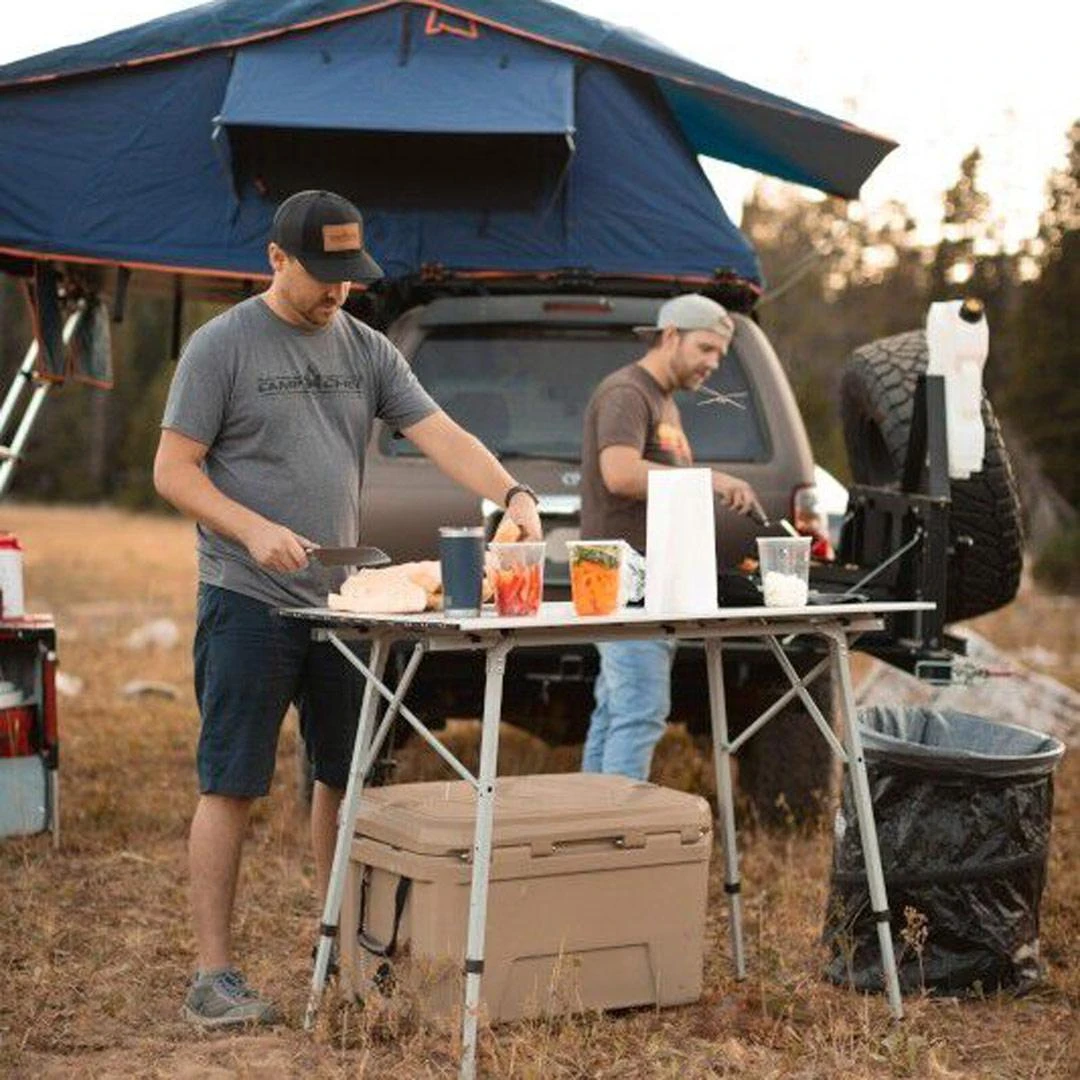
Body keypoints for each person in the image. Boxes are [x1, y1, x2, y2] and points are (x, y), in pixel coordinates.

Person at [154, 189, 542, 1028]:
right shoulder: (221, 347)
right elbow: (173, 471)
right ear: (276, 260)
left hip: (340, 606)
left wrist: (511, 491)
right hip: (246, 596)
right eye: (322, 277)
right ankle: (212, 975)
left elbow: (441, 435)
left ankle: (344, 955)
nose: (337, 293)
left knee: (347, 777)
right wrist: (253, 529)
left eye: (349, 277)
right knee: (232, 784)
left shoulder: (366, 347)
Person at [579, 293, 762, 781]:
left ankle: (588, 829)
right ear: (671, 336)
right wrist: (714, 479)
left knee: (615, 709)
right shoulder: (627, 393)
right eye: (705, 349)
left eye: (720, 354)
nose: (713, 364)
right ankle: (616, 837)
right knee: (639, 711)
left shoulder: (662, 402)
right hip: (621, 572)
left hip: (640, 573)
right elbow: (618, 474)